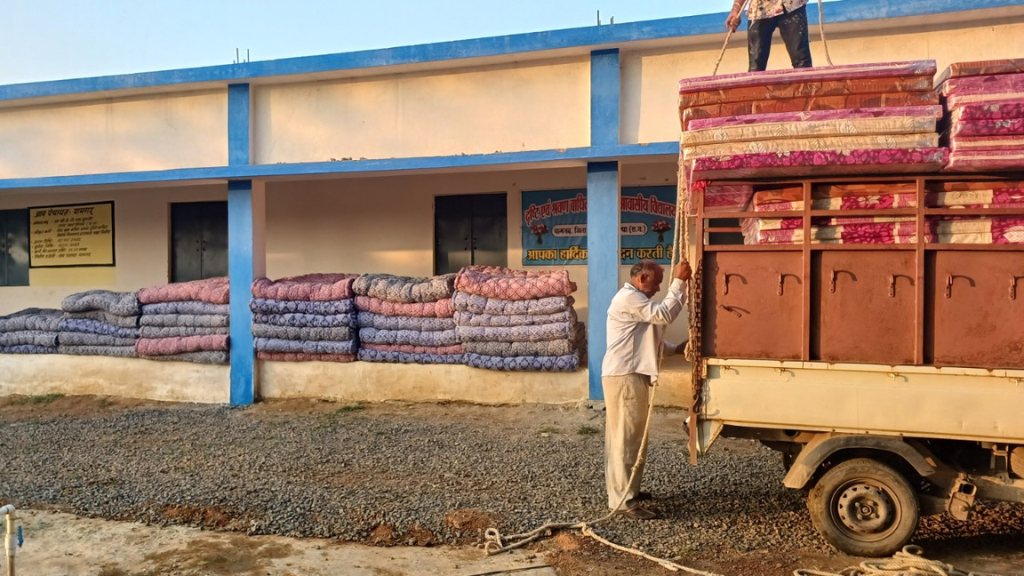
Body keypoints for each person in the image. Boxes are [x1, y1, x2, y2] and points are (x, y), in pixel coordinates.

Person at [601, 258, 692, 520]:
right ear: (642, 278)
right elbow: (664, 314)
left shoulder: (636, 301)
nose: (658, 288)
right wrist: (679, 281)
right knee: (626, 439)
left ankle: (628, 491)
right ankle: (623, 501)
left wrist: (678, 348)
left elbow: (647, 340)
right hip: (625, 377)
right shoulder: (630, 298)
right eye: (657, 282)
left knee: (631, 437)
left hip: (629, 375)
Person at [726, 0, 813, 72]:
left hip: (791, 4)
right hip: (759, 8)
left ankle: (807, 87)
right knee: (755, 67)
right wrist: (735, 10)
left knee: (802, 63)